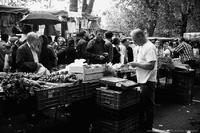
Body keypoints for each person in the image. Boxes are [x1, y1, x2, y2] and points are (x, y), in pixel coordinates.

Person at [128, 29, 157, 132]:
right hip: (142, 80)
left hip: (148, 81)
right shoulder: (141, 47)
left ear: (140, 36)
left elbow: (150, 65)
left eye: (134, 40)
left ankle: (148, 127)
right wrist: (134, 65)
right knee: (143, 104)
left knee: (148, 105)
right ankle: (143, 126)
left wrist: (136, 64)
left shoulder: (149, 47)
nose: (134, 42)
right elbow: (142, 62)